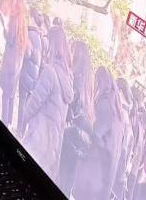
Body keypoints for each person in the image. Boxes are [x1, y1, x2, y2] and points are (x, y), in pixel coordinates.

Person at [20, 24, 74, 179]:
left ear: (53, 44)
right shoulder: (68, 77)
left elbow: (34, 102)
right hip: (53, 143)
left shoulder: (50, 71)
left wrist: (23, 121)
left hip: (39, 135)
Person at [74, 66, 126, 200]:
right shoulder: (119, 114)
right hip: (106, 179)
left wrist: (82, 122)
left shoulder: (105, 105)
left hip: (93, 173)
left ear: (100, 82)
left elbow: (96, 136)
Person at [57, 40, 94, 195]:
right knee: (67, 181)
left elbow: (70, 104)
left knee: (61, 177)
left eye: (72, 50)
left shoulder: (77, 79)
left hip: (69, 135)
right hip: (77, 140)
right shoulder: (88, 83)